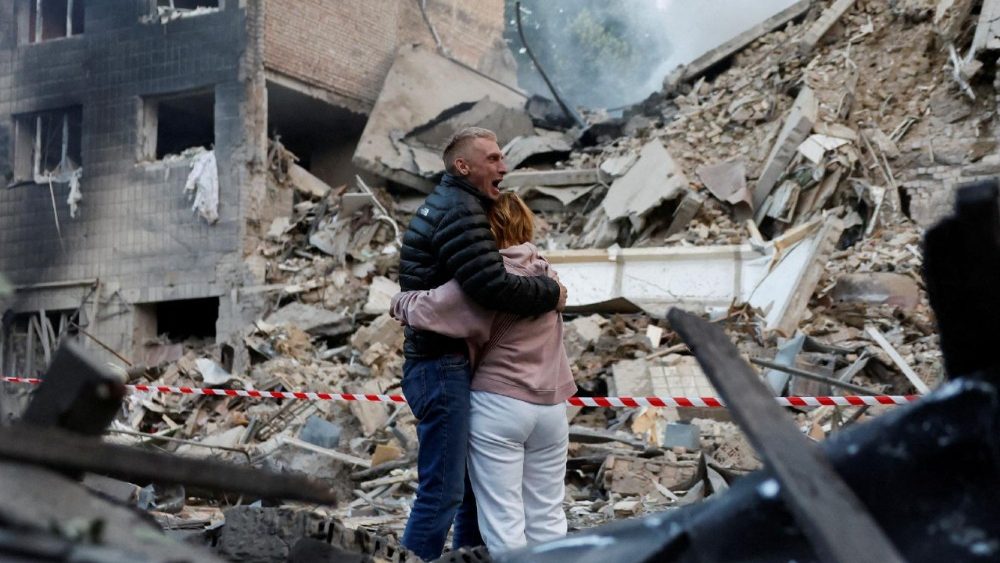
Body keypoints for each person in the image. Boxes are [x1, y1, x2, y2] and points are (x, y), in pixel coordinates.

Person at [397, 127, 567, 561]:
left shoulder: (459, 209)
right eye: (493, 158)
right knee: (459, 495)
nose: (503, 167)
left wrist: (401, 302)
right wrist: (553, 293)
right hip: (452, 369)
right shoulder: (534, 262)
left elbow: (451, 300)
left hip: (483, 389)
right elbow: (487, 286)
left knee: (478, 502)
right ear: (462, 165)